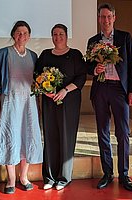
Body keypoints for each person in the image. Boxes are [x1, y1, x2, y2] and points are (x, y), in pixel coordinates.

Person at [86, 3, 132, 190]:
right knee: (102, 132)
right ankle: (107, 173)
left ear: (114, 18)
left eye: (109, 16)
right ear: (99, 19)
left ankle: (124, 174)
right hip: (100, 88)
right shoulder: (93, 40)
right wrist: (94, 68)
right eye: (102, 17)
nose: (106, 20)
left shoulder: (125, 38)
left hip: (119, 89)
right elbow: (87, 66)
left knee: (123, 132)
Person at [0, 21, 43, 194]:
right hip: (10, 102)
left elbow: (37, 83)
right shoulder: (3, 53)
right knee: (10, 137)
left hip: (29, 104)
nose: (22, 36)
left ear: (29, 36)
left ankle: (24, 177)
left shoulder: (34, 56)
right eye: (19, 33)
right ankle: (11, 179)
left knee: (28, 137)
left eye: (25, 33)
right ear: (13, 34)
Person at [35, 23, 87, 191]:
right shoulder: (44, 55)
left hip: (69, 101)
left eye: (61, 34)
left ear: (66, 35)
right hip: (49, 101)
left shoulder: (75, 55)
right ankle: (49, 177)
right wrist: (45, 90)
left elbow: (81, 78)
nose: (58, 37)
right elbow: (37, 76)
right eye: (55, 34)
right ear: (52, 37)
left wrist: (65, 90)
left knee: (66, 136)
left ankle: (64, 177)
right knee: (50, 136)